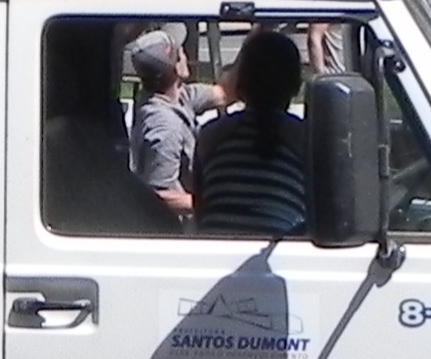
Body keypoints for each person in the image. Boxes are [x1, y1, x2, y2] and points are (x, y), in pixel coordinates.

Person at [186, 30, 310, 239]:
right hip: (282, 255)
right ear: (294, 85)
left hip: (214, 252)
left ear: (242, 82)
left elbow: (201, 209)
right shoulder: (306, 139)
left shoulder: (211, 135)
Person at [123, 27, 208, 225]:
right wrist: (211, 205)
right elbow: (159, 195)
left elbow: (223, 93)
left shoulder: (176, 97)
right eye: (180, 51)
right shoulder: (165, 127)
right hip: (176, 233)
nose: (185, 54)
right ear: (177, 68)